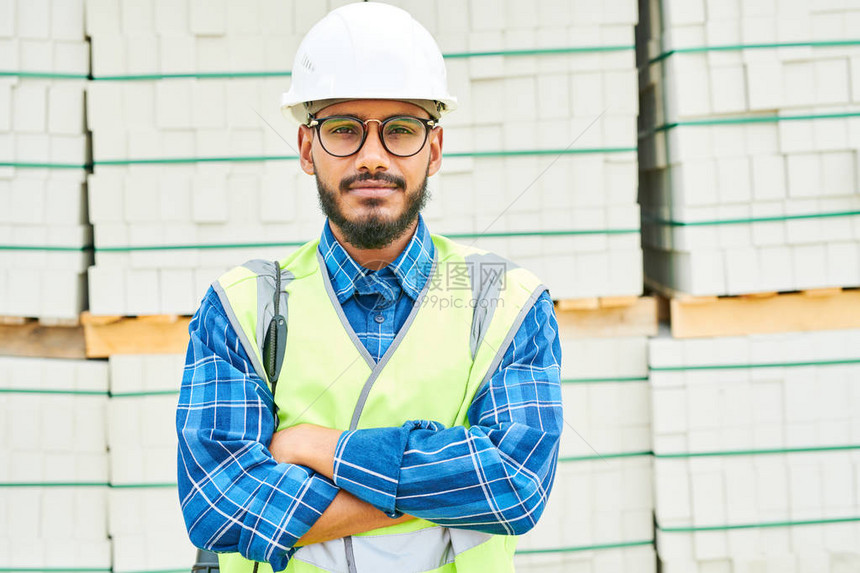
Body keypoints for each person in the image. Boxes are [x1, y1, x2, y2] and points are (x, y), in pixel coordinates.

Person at [176, 3, 563, 572]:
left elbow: (516, 485)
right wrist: (444, 486)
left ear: (434, 150)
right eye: (343, 130)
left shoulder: (505, 300)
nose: (373, 157)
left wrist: (319, 448)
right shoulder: (242, 305)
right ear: (308, 150)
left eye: (402, 130)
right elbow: (217, 507)